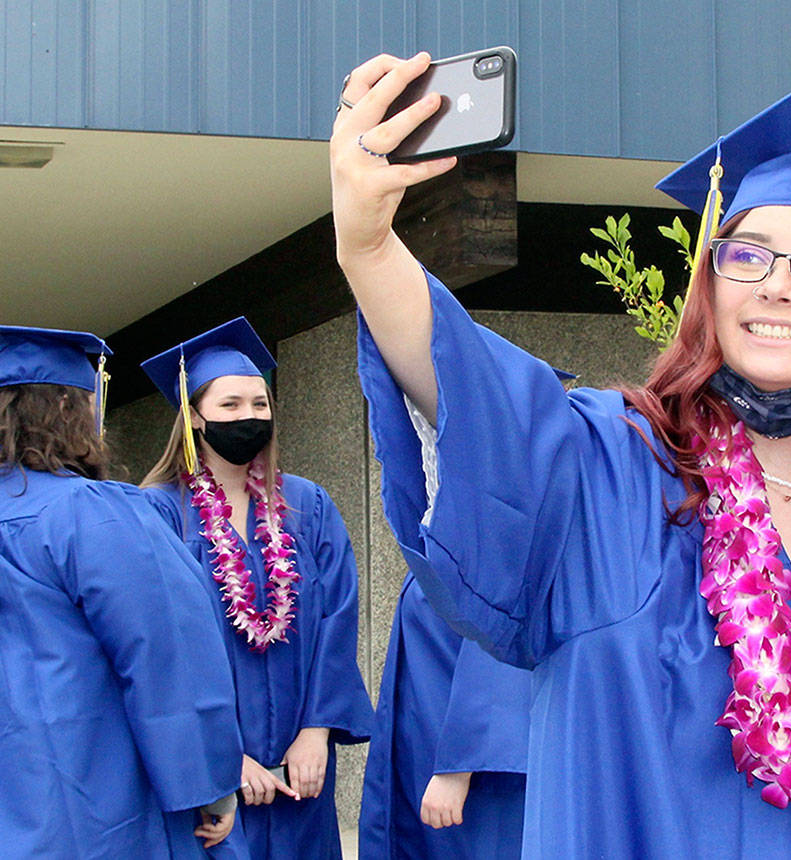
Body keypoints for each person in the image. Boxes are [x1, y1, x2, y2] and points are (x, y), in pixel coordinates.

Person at [335, 50, 791, 858]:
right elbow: (479, 400)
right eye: (748, 254)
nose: (777, 285)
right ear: (712, 282)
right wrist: (370, 249)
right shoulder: (613, 467)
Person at [0, 326, 245, 858]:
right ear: (69, 412)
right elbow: (168, 655)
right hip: (94, 805)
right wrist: (213, 786)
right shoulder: (88, 513)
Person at [139, 318, 374, 860]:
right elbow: (157, 647)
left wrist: (317, 730)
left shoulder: (307, 506)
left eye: (259, 404)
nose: (248, 417)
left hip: (301, 769)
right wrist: (220, 757)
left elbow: (338, 618)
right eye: (230, 406)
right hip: (209, 782)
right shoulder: (157, 514)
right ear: (194, 418)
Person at [359, 572, 531, 859]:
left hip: (477, 775)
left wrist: (459, 765)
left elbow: (500, 639)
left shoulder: (493, 534)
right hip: (427, 744)